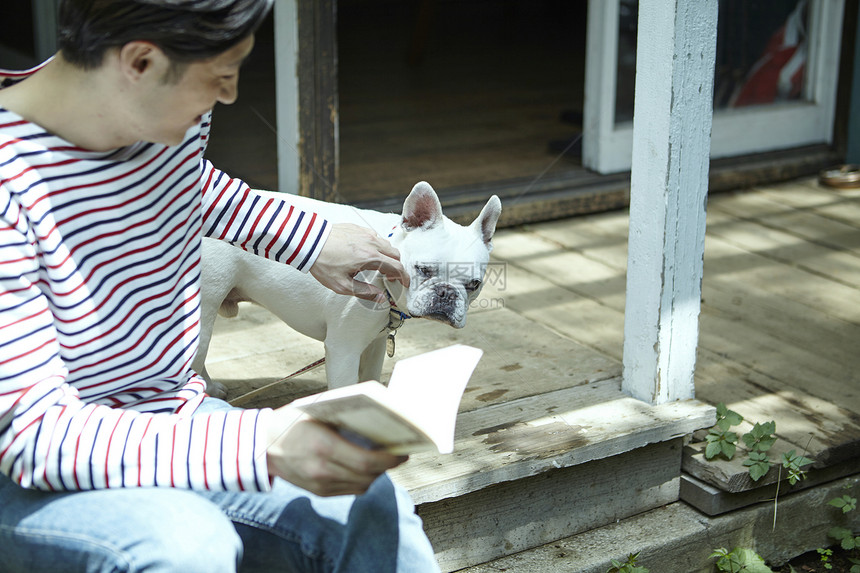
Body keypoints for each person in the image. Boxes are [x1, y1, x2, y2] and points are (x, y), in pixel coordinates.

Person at [0, 0, 440, 571]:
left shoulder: (155, 118)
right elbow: (38, 437)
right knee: (185, 545)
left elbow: (182, 185)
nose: (229, 96)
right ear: (140, 62)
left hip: (164, 414)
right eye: (221, 76)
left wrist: (308, 239)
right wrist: (263, 443)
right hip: (30, 462)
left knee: (370, 504)